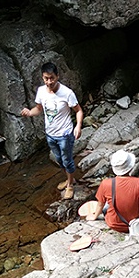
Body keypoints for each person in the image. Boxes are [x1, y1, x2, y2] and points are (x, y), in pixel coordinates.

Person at [21, 62, 83, 200]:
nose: (49, 82)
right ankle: (69, 179)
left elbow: (78, 110)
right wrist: (29, 113)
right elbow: (38, 108)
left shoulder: (67, 93)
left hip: (65, 134)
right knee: (59, 160)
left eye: (52, 78)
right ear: (43, 78)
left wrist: (78, 126)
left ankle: (70, 185)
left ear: (57, 76)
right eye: (46, 78)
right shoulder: (41, 91)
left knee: (67, 160)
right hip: (50, 134)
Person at [86, 150, 139, 233]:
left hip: (113, 224)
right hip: (134, 224)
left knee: (107, 204)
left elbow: (100, 204)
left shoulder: (106, 183)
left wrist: (94, 217)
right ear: (130, 167)